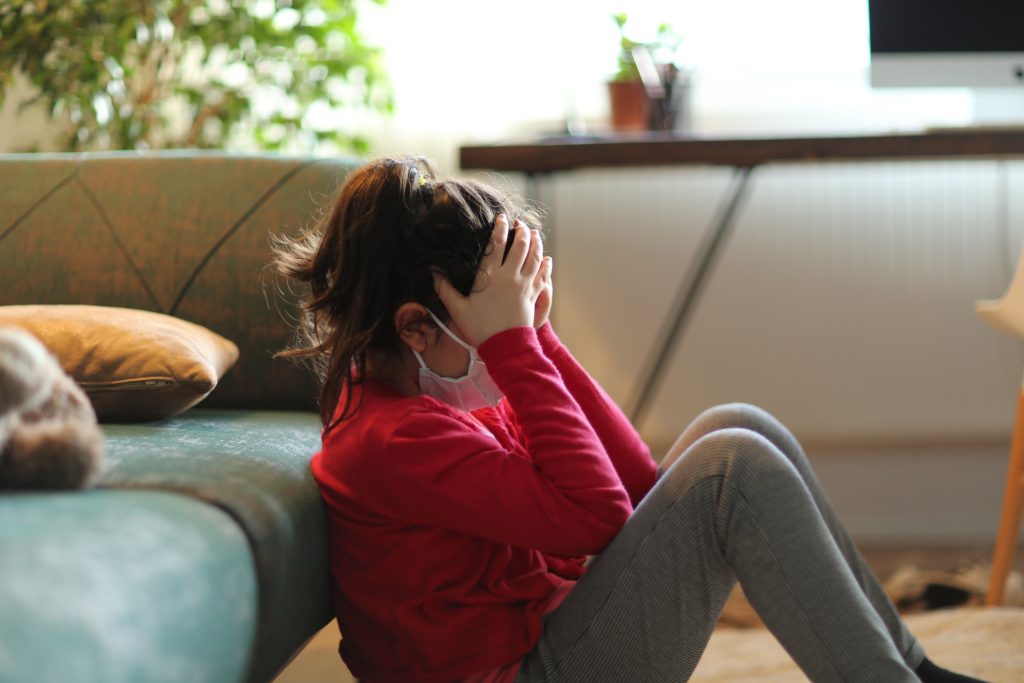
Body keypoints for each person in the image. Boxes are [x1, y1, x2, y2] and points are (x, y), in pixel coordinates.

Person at [274, 156, 987, 683]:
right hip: (524, 674)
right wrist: (516, 347)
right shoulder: (395, 441)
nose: (505, 349)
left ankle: (913, 666)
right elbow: (599, 517)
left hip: (548, 641)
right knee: (730, 470)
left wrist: (538, 337)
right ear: (418, 329)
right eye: (491, 328)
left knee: (735, 424)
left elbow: (639, 483)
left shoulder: (439, 395)